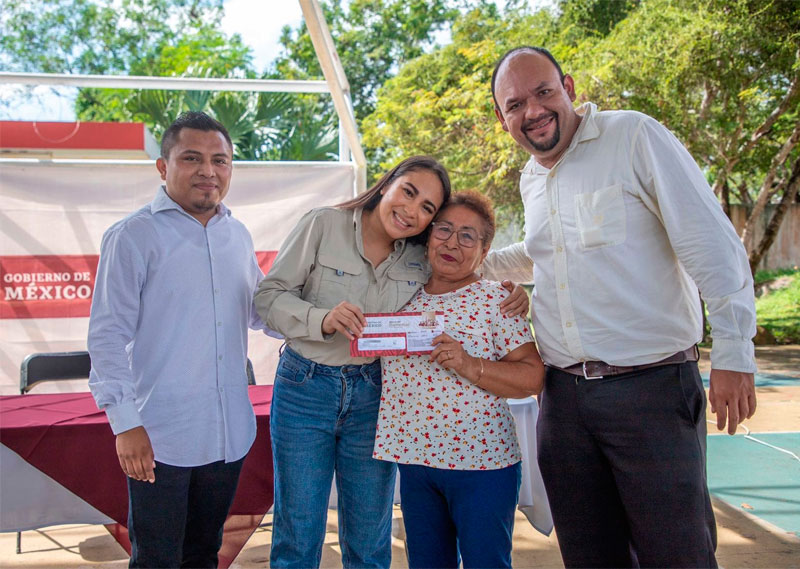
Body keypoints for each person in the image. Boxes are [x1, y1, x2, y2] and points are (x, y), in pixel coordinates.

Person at [484, 46, 758, 568]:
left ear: (569, 86)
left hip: (651, 392)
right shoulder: (532, 178)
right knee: (590, 556)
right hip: (562, 401)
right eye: (515, 104)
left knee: (678, 555)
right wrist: (468, 264)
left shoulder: (633, 135)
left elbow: (711, 245)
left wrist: (734, 351)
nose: (533, 111)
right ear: (503, 119)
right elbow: (543, 255)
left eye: (544, 92)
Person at [254, 157, 528, 569]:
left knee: (370, 536)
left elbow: (468, 263)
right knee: (299, 531)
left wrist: (515, 291)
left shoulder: (421, 252)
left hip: (373, 393)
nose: (412, 211)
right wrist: (321, 318)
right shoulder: (324, 224)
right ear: (386, 185)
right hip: (305, 386)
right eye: (409, 192)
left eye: (428, 209)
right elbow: (267, 296)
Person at [88, 111, 273, 568]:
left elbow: (260, 312)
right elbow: (108, 337)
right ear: (163, 166)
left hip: (228, 433)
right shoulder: (133, 236)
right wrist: (125, 424)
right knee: (156, 559)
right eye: (192, 158)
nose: (208, 171)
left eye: (220, 160)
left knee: (204, 554)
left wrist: (323, 318)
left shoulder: (237, 234)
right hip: (159, 437)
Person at [373, 190, 545, 569]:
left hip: (482, 466)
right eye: (444, 230)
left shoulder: (496, 300)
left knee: (487, 562)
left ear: (484, 252)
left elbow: (533, 377)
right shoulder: (400, 297)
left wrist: (471, 365)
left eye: (468, 236)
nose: (452, 242)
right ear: (427, 237)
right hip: (415, 464)